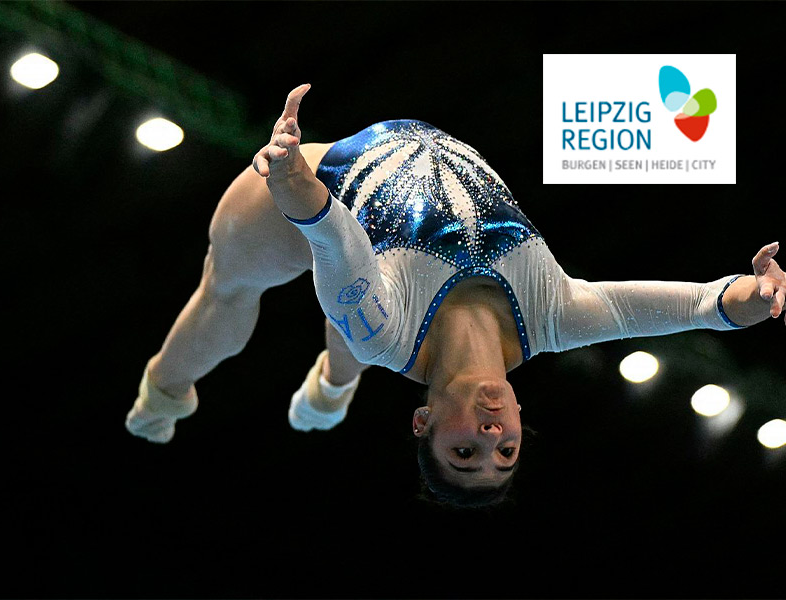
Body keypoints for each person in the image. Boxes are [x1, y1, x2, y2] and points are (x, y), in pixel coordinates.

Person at [126, 84, 785, 508]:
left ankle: (160, 396)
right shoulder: (555, 317)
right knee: (351, 324)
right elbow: (695, 307)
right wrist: (756, 297)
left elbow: (335, 237)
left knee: (228, 292)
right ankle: (329, 391)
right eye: (507, 451)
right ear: (522, 421)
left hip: (312, 185)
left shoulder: (384, 331)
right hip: (353, 245)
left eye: (465, 451)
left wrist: (291, 178)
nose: (492, 436)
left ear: (424, 423)